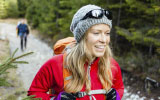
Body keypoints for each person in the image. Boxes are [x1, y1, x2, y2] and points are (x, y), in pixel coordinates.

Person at [28, 4, 124, 100]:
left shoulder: (112, 65)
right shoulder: (55, 64)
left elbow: (119, 87)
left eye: (107, 33)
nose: (104, 40)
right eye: (96, 33)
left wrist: (117, 96)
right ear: (82, 36)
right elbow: (33, 93)